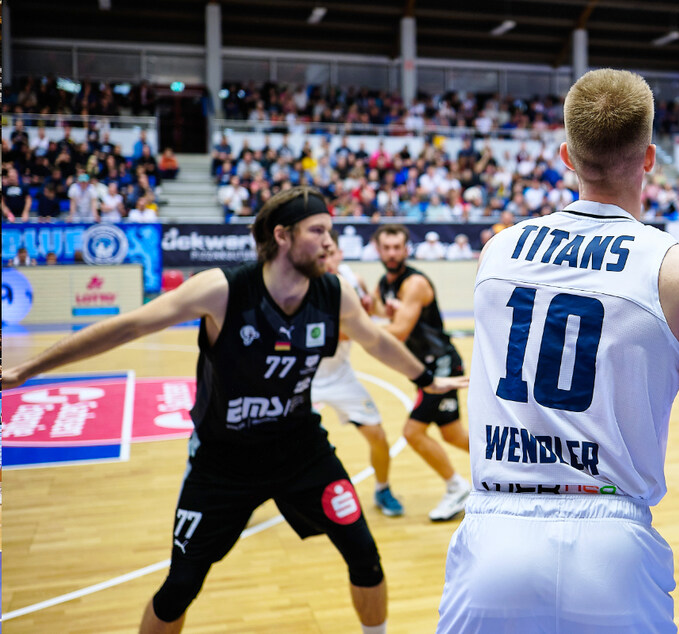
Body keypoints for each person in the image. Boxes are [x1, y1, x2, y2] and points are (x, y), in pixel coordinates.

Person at [3, 186, 467, 634]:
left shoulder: (333, 293)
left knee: (365, 555)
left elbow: (376, 340)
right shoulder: (223, 290)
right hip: (222, 461)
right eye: (317, 230)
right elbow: (128, 327)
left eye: (330, 229)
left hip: (300, 450)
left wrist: (426, 379)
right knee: (179, 588)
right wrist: (29, 370)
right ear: (282, 236)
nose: (330, 240)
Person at [437, 69, 679, 633]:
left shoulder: (497, 253)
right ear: (649, 158)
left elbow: (578, 338)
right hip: (611, 544)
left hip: (494, 535)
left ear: (566, 155)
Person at [371, 225, 471, 522]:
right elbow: (379, 310)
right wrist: (370, 308)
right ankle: (511, 470)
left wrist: (353, 333)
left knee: (412, 433)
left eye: (396, 247)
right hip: (425, 368)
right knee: (453, 434)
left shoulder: (414, 283)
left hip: (440, 366)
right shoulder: (385, 282)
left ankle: (457, 487)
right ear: (377, 250)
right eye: (386, 247)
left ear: (406, 249)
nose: (391, 253)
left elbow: (399, 331)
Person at [311, 229, 404, 517]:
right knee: (270, 439)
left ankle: (382, 489)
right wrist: (361, 324)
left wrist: (386, 310)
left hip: (340, 376)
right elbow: (337, 333)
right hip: (305, 378)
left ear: (339, 254)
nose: (325, 259)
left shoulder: (352, 280)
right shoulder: (304, 285)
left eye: (330, 253)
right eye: (320, 254)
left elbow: (373, 309)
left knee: (377, 434)